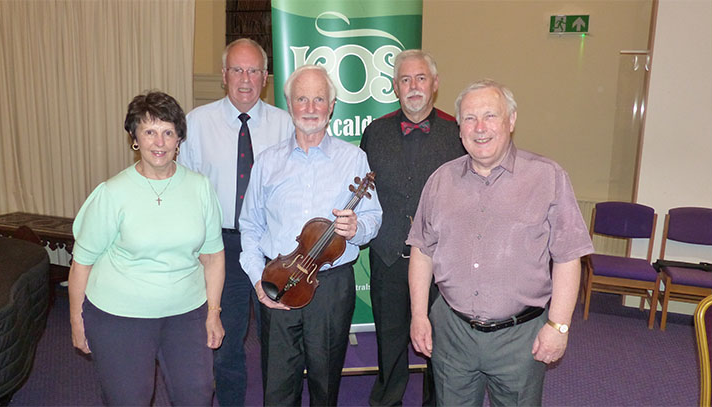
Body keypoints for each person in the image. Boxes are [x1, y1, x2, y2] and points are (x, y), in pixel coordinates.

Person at [407, 80, 595, 407]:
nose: (480, 128)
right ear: (459, 129)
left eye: (491, 116)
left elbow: (568, 257)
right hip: (452, 333)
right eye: (469, 118)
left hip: (521, 339)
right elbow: (422, 251)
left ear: (511, 121)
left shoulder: (547, 177)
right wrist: (419, 314)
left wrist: (559, 325)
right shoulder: (440, 181)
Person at [68, 91, 225, 406]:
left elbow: (213, 257)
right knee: (129, 400)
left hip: (187, 313)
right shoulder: (112, 194)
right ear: (134, 137)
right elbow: (82, 263)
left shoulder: (200, 187)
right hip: (120, 316)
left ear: (179, 138)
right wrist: (76, 321)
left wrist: (213, 313)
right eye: (150, 131)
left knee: (197, 395)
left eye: (168, 132)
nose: (160, 142)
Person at [239, 65, 383, 406]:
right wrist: (258, 280)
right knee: (277, 385)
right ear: (289, 105)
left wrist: (356, 228)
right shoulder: (268, 162)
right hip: (277, 281)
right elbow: (250, 226)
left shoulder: (354, 159)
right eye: (302, 99)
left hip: (330, 288)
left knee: (326, 381)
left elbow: (373, 217)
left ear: (332, 106)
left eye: (319, 99)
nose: (310, 108)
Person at [178, 38, 295, 407]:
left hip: (271, 246)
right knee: (225, 339)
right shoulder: (196, 124)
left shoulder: (285, 124)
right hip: (220, 246)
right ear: (224, 76)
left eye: (254, 71)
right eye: (237, 70)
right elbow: (185, 190)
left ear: (265, 78)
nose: (246, 79)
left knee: (276, 337)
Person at [359, 49, 464, 406]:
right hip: (388, 257)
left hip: (441, 262)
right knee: (390, 342)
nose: (413, 86)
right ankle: (388, 400)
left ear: (434, 84)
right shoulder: (375, 133)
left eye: (421, 78)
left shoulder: (458, 134)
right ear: (394, 87)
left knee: (439, 344)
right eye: (405, 79)